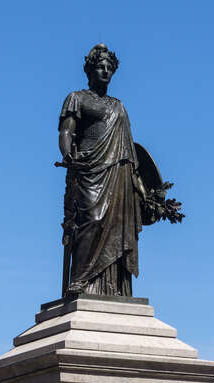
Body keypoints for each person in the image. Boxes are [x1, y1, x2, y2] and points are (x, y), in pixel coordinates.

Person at [59, 43, 144, 296]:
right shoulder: (77, 98)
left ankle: (113, 286)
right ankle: (80, 280)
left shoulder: (119, 106)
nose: (105, 71)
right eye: (100, 66)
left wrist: (140, 188)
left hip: (118, 173)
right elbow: (66, 132)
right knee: (92, 221)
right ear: (89, 70)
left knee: (117, 227)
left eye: (110, 68)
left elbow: (129, 152)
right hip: (89, 169)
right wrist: (68, 156)